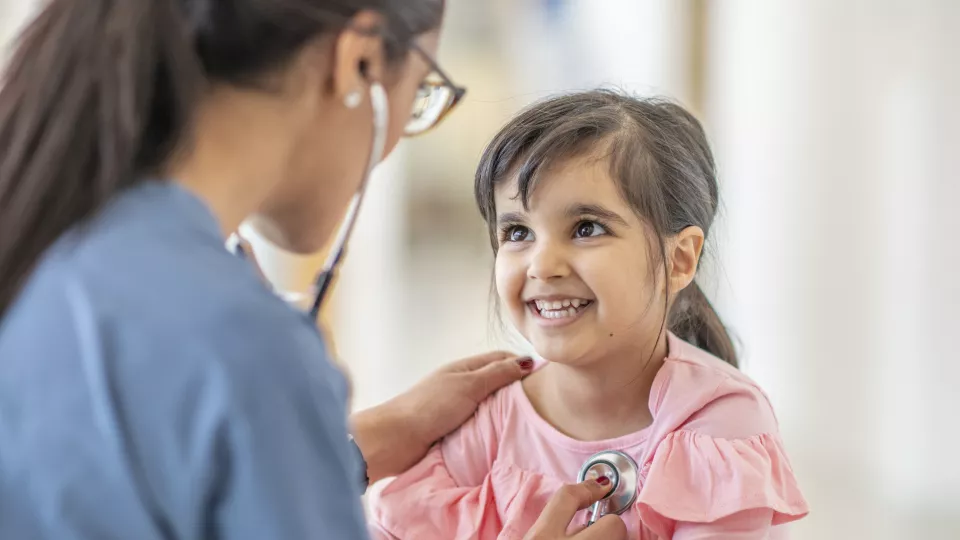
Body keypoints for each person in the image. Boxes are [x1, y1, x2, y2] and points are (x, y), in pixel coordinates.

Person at [0, 1, 624, 539]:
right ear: (360, 64)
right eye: (420, 96)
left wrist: (345, 447)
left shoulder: (49, 243)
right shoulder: (240, 338)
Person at [368, 90, 811, 539]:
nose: (542, 265)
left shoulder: (719, 421)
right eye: (518, 231)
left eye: (586, 228)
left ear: (679, 259)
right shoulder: (487, 423)